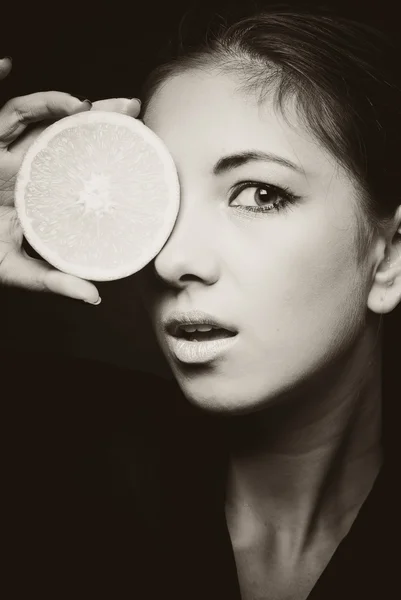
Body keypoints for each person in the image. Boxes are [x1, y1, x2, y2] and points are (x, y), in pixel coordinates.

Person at [2, 3, 400, 599]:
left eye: (260, 194)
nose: (173, 260)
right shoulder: (37, 470)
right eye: (159, 199)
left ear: (389, 255)